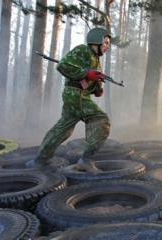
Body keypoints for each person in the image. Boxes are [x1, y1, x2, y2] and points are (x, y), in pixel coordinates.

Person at [33, 27, 112, 172]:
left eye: (108, 43)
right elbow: (63, 66)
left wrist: (98, 88)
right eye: (106, 42)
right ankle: (86, 159)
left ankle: (40, 160)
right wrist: (87, 73)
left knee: (63, 129)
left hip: (77, 95)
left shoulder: (96, 60)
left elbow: (90, 81)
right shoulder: (83, 50)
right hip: (76, 93)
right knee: (101, 119)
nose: (107, 46)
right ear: (96, 41)